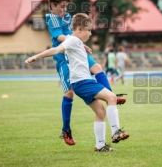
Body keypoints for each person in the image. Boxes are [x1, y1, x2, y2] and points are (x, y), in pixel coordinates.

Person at [25, 13, 130, 152]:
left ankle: (100, 145)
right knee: (111, 97)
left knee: (100, 112)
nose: (91, 34)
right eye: (89, 30)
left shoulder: (76, 41)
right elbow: (56, 49)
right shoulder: (72, 40)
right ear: (80, 29)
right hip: (83, 83)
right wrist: (36, 57)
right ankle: (116, 131)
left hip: (81, 84)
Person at [44, 0, 124, 146]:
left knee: (97, 68)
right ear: (53, 6)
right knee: (69, 92)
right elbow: (59, 38)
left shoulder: (63, 13)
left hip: (74, 47)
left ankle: (111, 96)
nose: (64, 10)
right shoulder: (51, 18)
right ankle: (66, 129)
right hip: (62, 55)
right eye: (61, 7)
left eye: (66, 7)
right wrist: (77, 42)